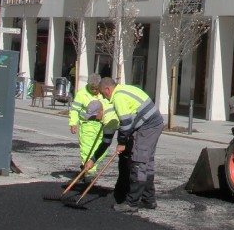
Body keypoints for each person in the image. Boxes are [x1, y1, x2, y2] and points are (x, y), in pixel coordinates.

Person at [98, 77, 163, 214]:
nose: (106, 97)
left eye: (104, 94)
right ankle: (149, 199)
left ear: (108, 89)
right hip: (152, 123)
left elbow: (126, 123)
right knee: (147, 162)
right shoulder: (124, 89)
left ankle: (132, 203)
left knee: (139, 161)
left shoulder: (118, 97)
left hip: (148, 126)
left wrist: (122, 143)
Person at [69, 73, 111, 178]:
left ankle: (88, 166)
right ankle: (89, 172)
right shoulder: (81, 94)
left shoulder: (103, 93)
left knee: (102, 149)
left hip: (101, 125)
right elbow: (75, 110)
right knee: (87, 149)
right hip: (87, 125)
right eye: (92, 89)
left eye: (96, 89)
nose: (94, 91)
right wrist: (73, 123)